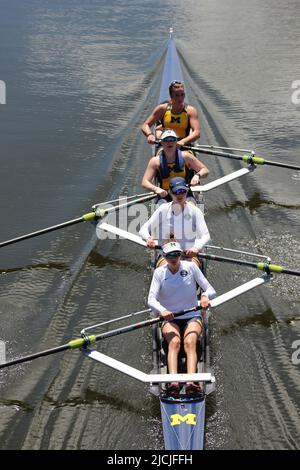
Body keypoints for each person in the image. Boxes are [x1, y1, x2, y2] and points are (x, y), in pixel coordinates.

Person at [148, 241, 216, 395]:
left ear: (180, 255)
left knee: (189, 342)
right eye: (170, 255)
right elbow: (151, 300)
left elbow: (210, 289)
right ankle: (173, 382)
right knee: (175, 342)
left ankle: (192, 382)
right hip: (170, 317)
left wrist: (204, 296)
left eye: (177, 254)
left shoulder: (191, 267)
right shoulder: (159, 273)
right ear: (164, 256)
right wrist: (162, 310)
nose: (174, 258)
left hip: (192, 314)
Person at [139, 176, 210, 265]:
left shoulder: (195, 211)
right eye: (176, 192)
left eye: (182, 191)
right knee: (165, 269)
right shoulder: (163, 210)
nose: (179, 195)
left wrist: (196, 248)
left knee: (191, 269)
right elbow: (143, 229)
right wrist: (148, 238)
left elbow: (206, 236)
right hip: (168, 254)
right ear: (170, 193)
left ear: (187, 191)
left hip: (188, 254)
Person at [141, 129, 209, 200]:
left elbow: (205, 170)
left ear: (176, 142)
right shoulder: (155, 161)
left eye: (172, 139)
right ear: (161, 143)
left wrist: (197, 176)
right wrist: (156, 189)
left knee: (191, 208)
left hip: (184, 193)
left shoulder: (186, 156)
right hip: (165, 195)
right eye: (166, 140)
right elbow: (145, 182)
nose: (169, 142)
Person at [142, 80, 200, 147]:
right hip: (166, 146)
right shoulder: (162, 109)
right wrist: (150, 135)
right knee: (155, 158)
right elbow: (145, 125)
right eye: (177, 95)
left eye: (182, 94)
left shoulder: (191, 110)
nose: (180, 98)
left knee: (188, 157)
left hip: (184, 146)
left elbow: (197, 132)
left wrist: (183, 142)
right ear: (171, 96)